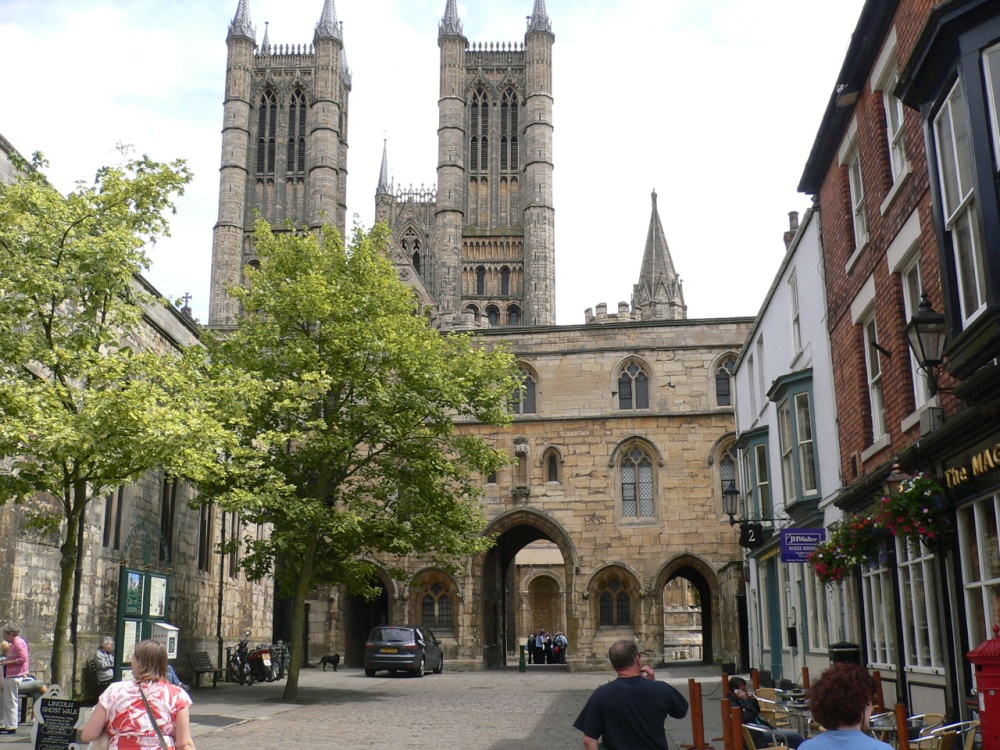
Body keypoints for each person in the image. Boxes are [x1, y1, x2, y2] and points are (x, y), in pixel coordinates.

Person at [573, 639, 688, 750]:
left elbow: (588, 740)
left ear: (614, 665)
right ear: (637, 659)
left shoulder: (601, 695)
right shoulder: (661, 689)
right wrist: (652, 685)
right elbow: (680, 711)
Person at [81, 639, 195, 750]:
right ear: (163, 664)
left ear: (137, 662)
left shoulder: (114, 691)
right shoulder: (177, 695)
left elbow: (88, 735)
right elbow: (184, 744)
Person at [800, 663, 892, 749]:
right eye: (872, 701)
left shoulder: (806, 747)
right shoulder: (881, 748)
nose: (872, 708)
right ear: (862, 704)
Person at [728, 676, 805, 748]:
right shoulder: (733, 704)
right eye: (743, 689)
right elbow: (749, 717)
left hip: (764, 727)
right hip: (759, 733)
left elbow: (757, 711)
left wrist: (752, 700)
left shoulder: (742, 699)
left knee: (793, 737)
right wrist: (746, 701)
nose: (745, 691)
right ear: (736, 691)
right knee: (795, 736)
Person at [0, 622, 30, 735]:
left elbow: (23, 658)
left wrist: (7, 663)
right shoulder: (15, 643)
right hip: (12, 675)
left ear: (10, 633)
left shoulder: (18, 643)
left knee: (11, 701)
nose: (4, 636)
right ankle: (8, 724)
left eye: (5, 634)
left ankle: (11, 726)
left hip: (14, 675)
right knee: (8, 701)